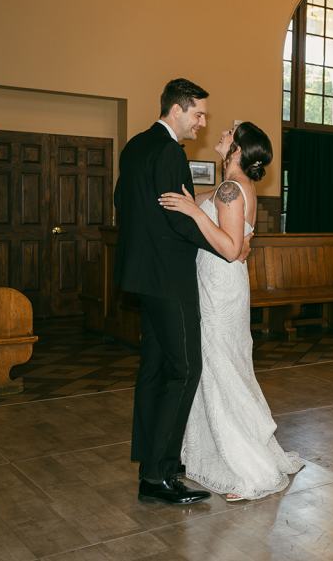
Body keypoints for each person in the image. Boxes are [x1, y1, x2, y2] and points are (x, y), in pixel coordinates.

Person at [159, 121, 302, 502]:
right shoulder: (239, 186)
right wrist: (197, 199)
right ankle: (221, 452)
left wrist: (193, 211)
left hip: (219, 287)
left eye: (229, 133)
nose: (222, 134)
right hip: (228, 284)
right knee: (228, 365)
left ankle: (243, 467)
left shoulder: (228, 189)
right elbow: (238, 241)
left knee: (221, 366)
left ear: (236, 149)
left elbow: (228, 246)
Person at [115, 78, 221, 504]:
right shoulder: (169, 152)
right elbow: (179, 218)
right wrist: (221, 244)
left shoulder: (135, 146)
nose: (202, 123)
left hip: (140, 276)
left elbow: (123, 201)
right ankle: (159, 476)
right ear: (176, 110)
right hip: (169, 278)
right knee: (185, 370)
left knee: (155, 369)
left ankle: (152, 461)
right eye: (198, 114)